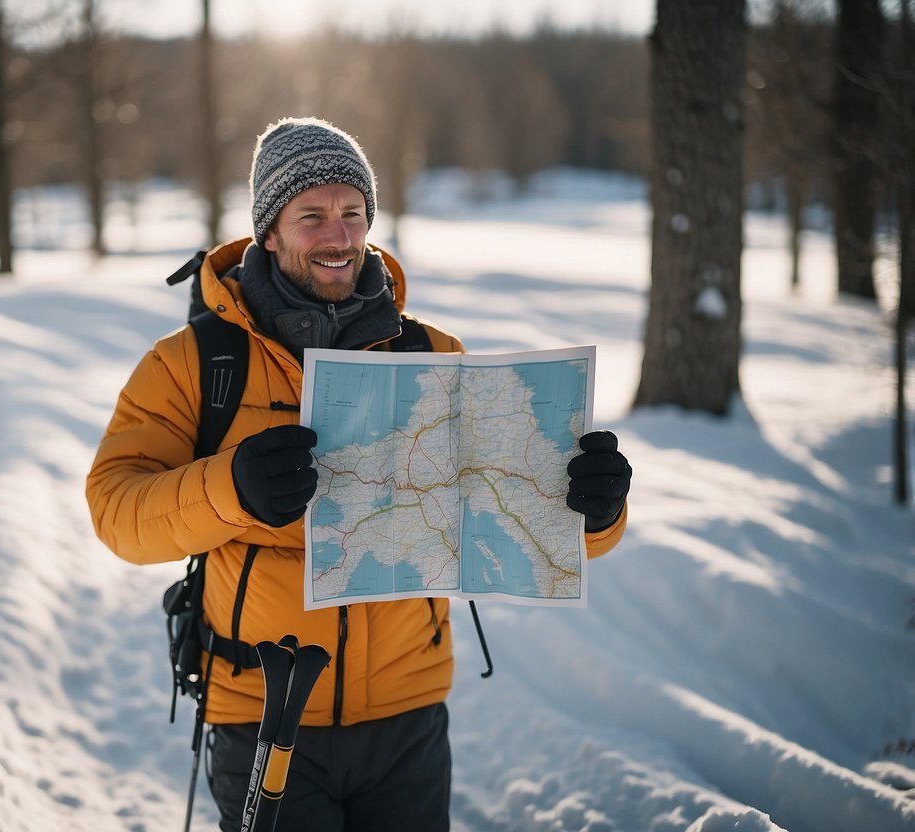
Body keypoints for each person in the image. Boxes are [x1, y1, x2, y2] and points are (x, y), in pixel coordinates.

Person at [86, 116, 631, 832]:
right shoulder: (196, 363)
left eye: (352, 214)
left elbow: (500, 514)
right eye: (310, 216)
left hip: (407, 718)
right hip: (264, 712)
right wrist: (231, 488)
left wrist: (591, 512)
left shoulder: (433, 353)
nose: (337, 236)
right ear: (268, 233)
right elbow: (115, 511)